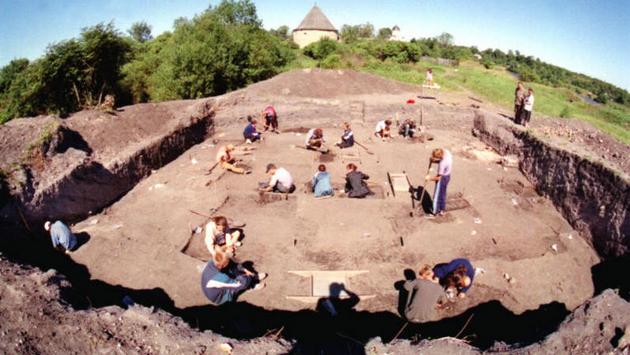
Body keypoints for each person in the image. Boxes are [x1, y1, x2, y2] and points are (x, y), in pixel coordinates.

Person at [200, 249, 267, 305]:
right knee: (244, 281)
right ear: (222, 266)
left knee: (232, 268)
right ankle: (251, 285)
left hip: (215, 285)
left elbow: (233, 264)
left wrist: (244, 270)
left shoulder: (214, 261)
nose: (229, 261)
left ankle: (253, 277)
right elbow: (237, 284)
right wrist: (249, 277)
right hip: (220, 297)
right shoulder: (221, 277)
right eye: (227, 262)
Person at [425, 148, 452, 216]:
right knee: (442, 194)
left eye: (436, 157)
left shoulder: (442, 164)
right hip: (448, 176)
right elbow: (441, 160)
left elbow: (439, 178)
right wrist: (434, 161)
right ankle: (442, 210)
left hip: (442, 179)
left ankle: (434, 211)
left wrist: (429, 178)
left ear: (439, 156)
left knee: (437, 195)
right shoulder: (446, 152)